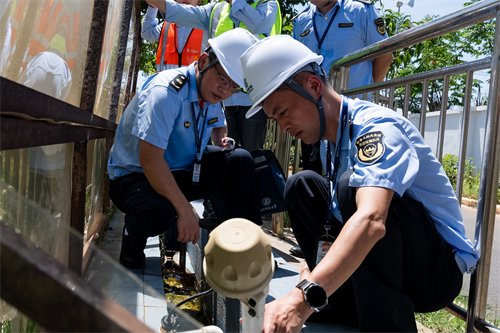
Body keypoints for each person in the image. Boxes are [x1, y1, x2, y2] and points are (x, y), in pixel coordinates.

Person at [241, 35, 478, 333]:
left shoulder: (376, 129)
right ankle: (343, 303)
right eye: (275, 119)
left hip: (434, 273)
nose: (284, 127)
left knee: (353, 189)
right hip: (398, 263)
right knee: (302, 186)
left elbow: (372, 220)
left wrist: (300, 299)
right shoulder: (331, 140)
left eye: (283, 112)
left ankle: (386, 326)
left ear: (314, 87)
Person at [107, 29, 262, 269]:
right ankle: (132, 241)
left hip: (183, 168)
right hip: (136, 176)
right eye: (223, 79)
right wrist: (185, 210)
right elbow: (149, 160)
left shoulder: (212, 93)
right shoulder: (166, 92)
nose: (225, 90)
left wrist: (223, 142)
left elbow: (218, 126)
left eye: (234, 87)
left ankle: (243, 242)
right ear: (203, 61)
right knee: (160, 212)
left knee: (240, 160)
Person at [289, 0, 393, 259]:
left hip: (352, 115)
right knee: (321, 177)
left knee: (353, 182)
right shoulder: (301, 21)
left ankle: (356, 249)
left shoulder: (362, 11)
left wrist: (362, 92)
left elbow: (384, 55)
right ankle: (324, 245)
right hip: (314, 115)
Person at [145, 0, 281, 152]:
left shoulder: (268, 3)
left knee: (252, 156)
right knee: (223, 155)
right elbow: (180, 12)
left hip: (251, 100)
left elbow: (258, 24)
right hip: (220, 100)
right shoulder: (216, 9)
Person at [141, 0, 207, 72]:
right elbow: (146, 33)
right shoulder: (166, 26)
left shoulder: (207, 27)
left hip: (194, 83)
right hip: (165, 82)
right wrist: (153, 7)